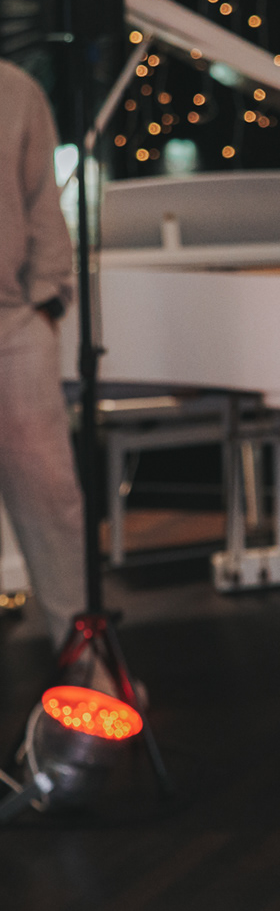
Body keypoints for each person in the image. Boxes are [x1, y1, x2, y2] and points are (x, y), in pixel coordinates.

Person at [0, 59, 85, 643]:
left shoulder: (14, 89)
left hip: (11, 322)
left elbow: (42, 205)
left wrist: (45, 303)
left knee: (52, 499)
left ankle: (81, 657)